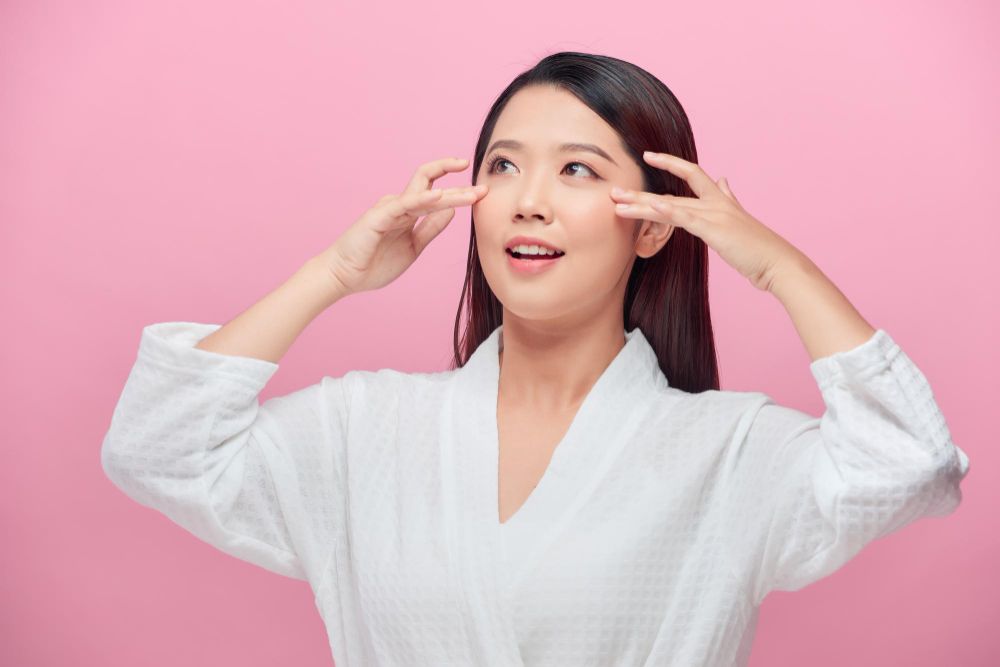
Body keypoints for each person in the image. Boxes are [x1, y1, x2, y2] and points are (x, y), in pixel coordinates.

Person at [100, 51, 970, 667]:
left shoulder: (728, 453)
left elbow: (909, 463)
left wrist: (782, 268)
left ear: (654, 223)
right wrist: (331, 275)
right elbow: (157, 447)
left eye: (578, 171)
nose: (529, 201)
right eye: (505, 166)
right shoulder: (365, 429)